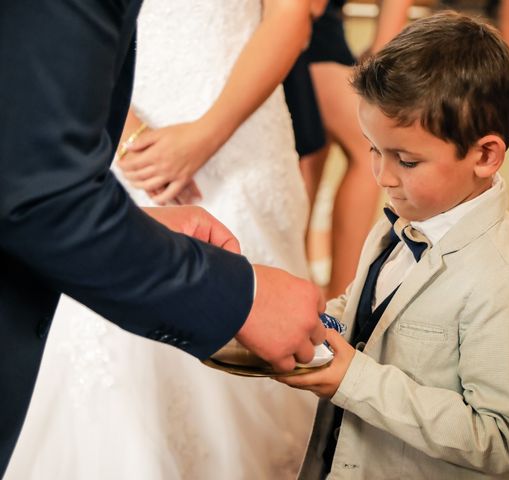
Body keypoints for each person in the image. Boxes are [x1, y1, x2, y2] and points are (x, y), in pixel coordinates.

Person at [0, 1, 326, 478]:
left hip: (238, 136)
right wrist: (240, 297)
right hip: (105, 137)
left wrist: (205, 136)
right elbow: (44, 192)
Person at [278, 11, 509, 479]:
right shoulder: (407, 216)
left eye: (406, 160)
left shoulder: (507, 285)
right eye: (373, 149)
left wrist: (355, 380)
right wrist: (318, 321)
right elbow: (371, 306)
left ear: (485, 155)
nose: (383, 177)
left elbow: (504, 441)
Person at [285, 0, 414, 299]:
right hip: (305, 27)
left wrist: (381, 50)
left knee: (338, 146)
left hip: (318, 29)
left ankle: (336, 295)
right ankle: (325, 291)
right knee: (315, 151)